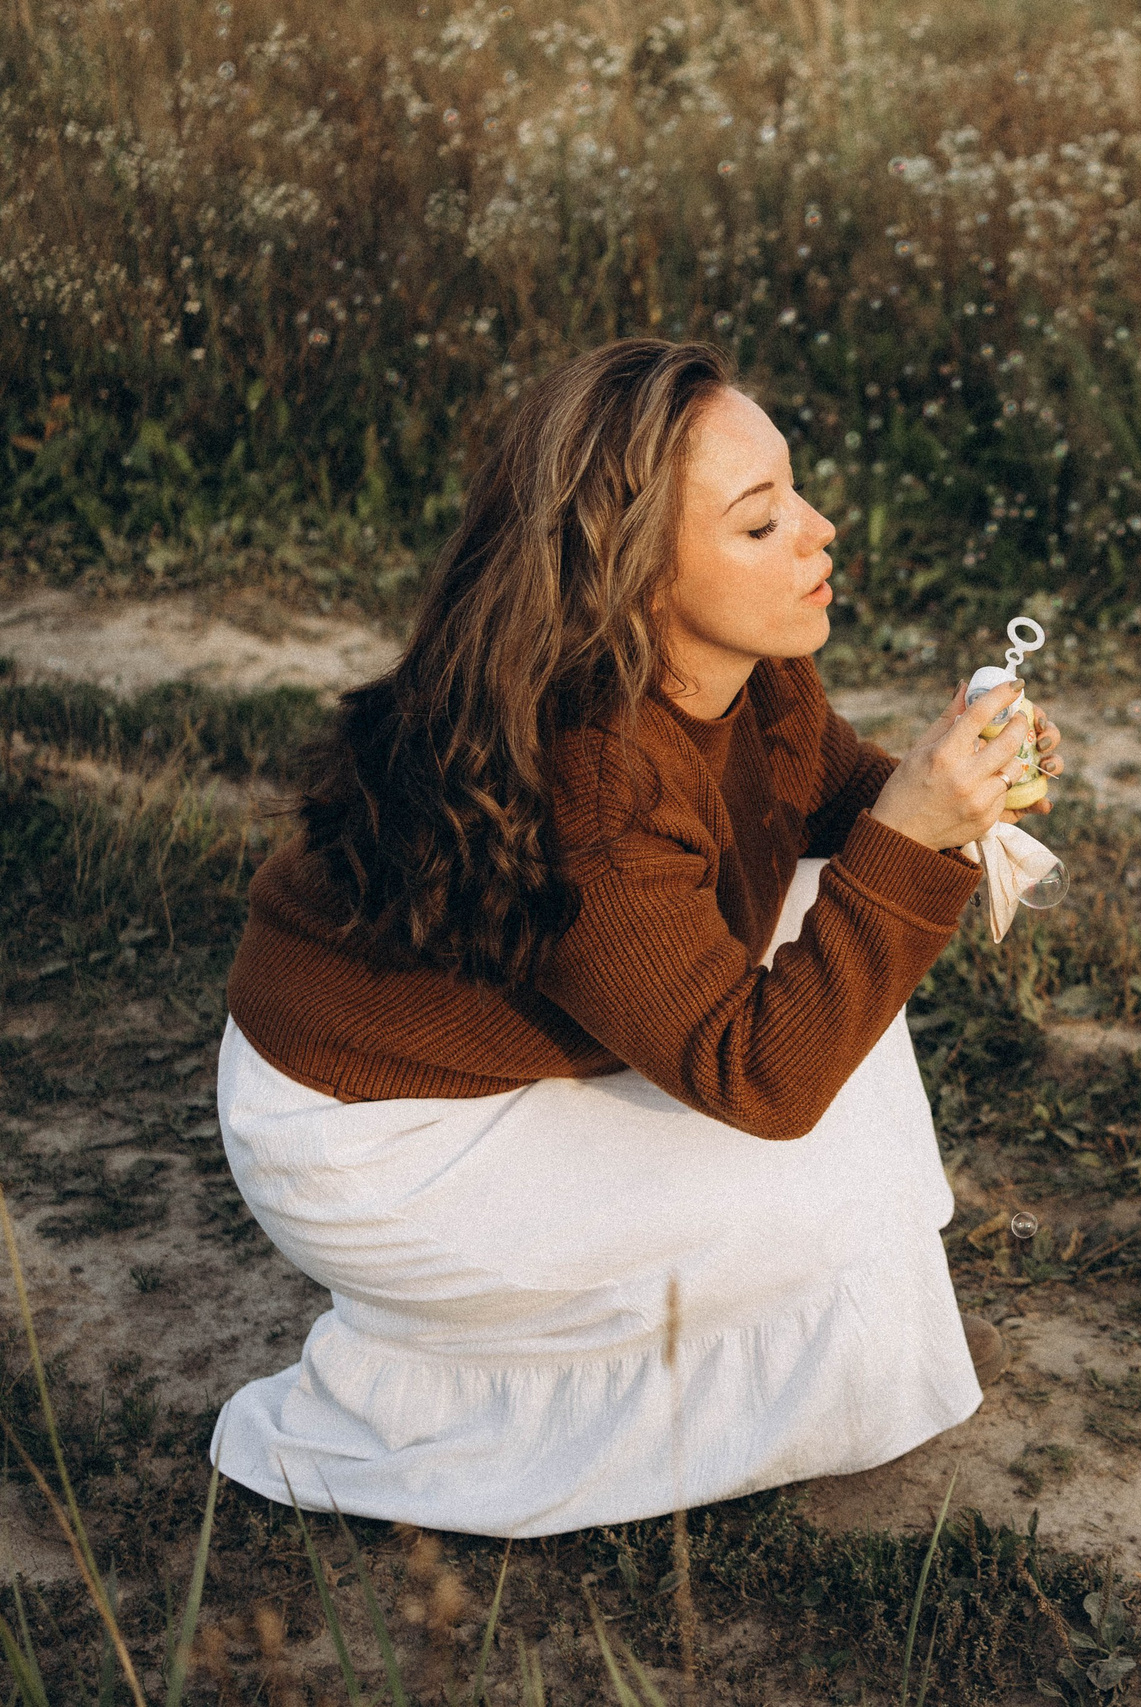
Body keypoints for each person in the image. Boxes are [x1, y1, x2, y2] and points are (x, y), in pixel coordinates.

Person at [211, 339, 1063, 1539]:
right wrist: (914, 831)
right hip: (369, 1141)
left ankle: (815, 1346)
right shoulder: (591, 776)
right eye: (760, 525)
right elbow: (757, 1076)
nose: (819, 531)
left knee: (845, 1013)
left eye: (796, 493)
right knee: (811, 1133)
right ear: (635, 582)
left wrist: (943, 786)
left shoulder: (743, 676)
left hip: (457, 1067)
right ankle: (443, 1406)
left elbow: (823, 799)